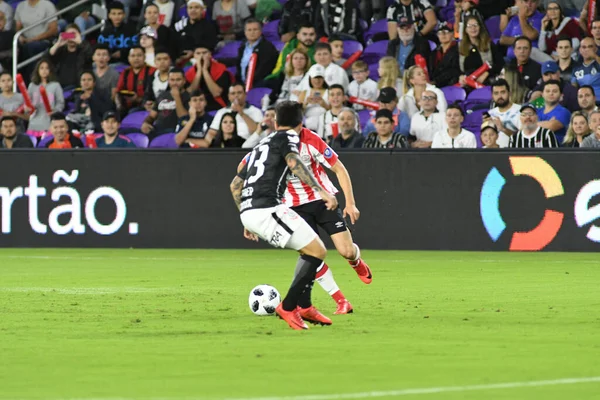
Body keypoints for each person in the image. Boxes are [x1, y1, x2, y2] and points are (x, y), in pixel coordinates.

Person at [229, 100, 339, 330]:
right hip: (267, 208)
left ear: (275, 121)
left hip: (251, 210)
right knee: (318, 251)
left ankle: (305, 306)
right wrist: (320, 190)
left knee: (309, 250)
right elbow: (294, 161)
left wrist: (246, 215)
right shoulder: (289, 138)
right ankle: (288, 307)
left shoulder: (261, 145)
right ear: (301, 124)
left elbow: (235, 184)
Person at [141, 68, 190, 137]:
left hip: (176, 132)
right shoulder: (162, 95)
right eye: (172, 80)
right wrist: (146, 123)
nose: (175, 83)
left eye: (178, 80)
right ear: (168, 81)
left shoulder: (189, 96)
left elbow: (184, 118)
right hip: (158, 130)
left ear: (184, 81)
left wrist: (177, 98)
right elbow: (152, 115)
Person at [457, 16, 503, 87]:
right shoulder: (459, 46)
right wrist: (460, 76)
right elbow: (454, 68)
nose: (473, 28)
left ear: (480, 27)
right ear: (465, 29)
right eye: (469, 26)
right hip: (466, 83)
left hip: (486, 82)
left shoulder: (489, 44)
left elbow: (500, 64)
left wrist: (487, 73)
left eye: (475, 25)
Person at [14, 0, 58, 73]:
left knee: (31, 47)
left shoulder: (47, 5)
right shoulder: (20, 6)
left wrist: (34, 39)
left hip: (43, 41)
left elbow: (53, 29)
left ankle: (32, 77)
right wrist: (20, 36)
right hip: (25, 41)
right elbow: (18, 27)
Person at [185, 44, 232, 112]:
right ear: (194, 56)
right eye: (198, 53)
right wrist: (199, 71)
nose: (201, 56)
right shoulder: (189, 72)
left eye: (204, 53)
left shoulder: (221, 69)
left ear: (210, 54)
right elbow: (190, 92)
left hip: (218, 106)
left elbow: (216, 93)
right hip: (197, 108)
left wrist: (205, 70)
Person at [48, 24, 93, 89]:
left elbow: (90, 56)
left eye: (73, 35)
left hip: (78, 88)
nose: (71, 38)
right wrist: (58, 44)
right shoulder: (60, 50)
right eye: (68, 35)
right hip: (60, 88)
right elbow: (48, 58)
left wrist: (80, 42)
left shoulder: (83, 50)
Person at [236, 19, 278, 87]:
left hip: (258, 85)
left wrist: (248, 84)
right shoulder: (242, 47)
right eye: (249, 30)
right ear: (245, 32)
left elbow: (263, 70)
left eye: (255, 29)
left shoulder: (267, 47)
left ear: (261, 31)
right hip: (243, 84)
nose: (252, 32)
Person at [174, 0, 219, 64]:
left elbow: (210, 46)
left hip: (200, 59)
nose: (193, 10)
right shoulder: (180, 25)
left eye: (196, 7)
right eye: (190, 8)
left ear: (202, 10)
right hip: (180, 59)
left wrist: (193, 52)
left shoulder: (209, 27)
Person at [115, 46, 156, 117]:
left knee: (132, 112)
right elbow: (118, 91)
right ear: (128, 58)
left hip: (146, 107)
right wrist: (119, 106)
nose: (136, 58)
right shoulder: (125, 72)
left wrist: (138, 99)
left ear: (144, 57)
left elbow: (153, 95)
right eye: (133, 56)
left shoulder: (152, 71)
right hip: (126, 107)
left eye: (139, 55)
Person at [27, 59, 65, 133]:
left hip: (49, 123)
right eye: (41, 68)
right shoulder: (32, 86)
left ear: (50, 70)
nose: (44, 70)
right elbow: (27, 103)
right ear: (37, 70)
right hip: (33, 123)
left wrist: (55, 111)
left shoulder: (56, 85)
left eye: (47, 68)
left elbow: (61, 103)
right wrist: (28, 108)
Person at [487, 78, 521, 148]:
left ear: (509, 93)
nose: (500, 96)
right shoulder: (490, 114)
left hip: (514, 152)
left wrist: (503, 129)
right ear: (492, 96)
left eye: (503, 92)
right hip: (494, 153)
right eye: (496, 93)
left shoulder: (520, 111)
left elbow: (523, 138)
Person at [298, 65, 329, 132]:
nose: (317, 80)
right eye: (315, 78)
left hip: (325, 123)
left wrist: (324, 105)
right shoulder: (304, 92)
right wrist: (305, 103)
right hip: (307, 124)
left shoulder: (329, 92)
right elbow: (297, 112)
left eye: (320, 78)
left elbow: (335, 110)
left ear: (324, 78)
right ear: (310, 78)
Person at [430, 22, 460, 88]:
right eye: (440, 32)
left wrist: (436, 81)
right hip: (435, 85)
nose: (443, 34)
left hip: (452, 84)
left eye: (446, 31)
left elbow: (454, 71)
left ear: (452, 34)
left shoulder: (458, 49)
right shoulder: (434, 52)